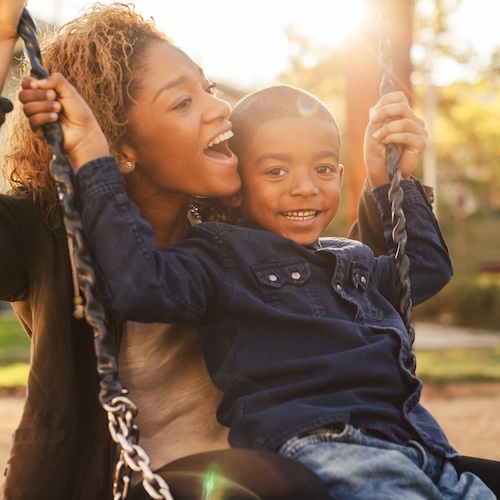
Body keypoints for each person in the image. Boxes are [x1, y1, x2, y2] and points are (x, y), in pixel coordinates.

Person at [22, 66, 495, 497]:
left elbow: (426, 270)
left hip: (418, 443)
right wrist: (92, 160)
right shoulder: (221, 254)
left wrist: (391, 181)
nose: (305, 186)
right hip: (326, 448)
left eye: (323, 169)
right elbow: (139, 284)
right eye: (275, 170)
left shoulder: (350, 258)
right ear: (238, 183)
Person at [0, 2, 403, 498]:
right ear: (118, 148)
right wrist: (3, 38)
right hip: (142, 484)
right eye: (182, 103)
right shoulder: (48, 233)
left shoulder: (231, 227)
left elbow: (353, 290)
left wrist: (384, 187)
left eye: (207, 90)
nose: (218, 109)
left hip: (275, 464)